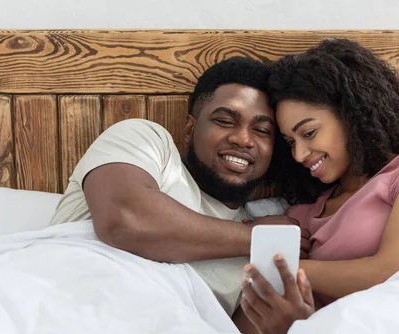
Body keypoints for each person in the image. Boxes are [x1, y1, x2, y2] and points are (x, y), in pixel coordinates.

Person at [49, 56, 308, 320]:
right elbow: (123, 219)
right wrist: (256, 237)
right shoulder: (147, 142)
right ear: (190, 128)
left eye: (262, 130)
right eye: (225, 121)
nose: (243, 139)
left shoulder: (257, 257)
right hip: (56, 312)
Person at [240, 38, 399, 334]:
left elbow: (393, 271)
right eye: (290, 142)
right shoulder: (301, 215)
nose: (299, 154)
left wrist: (287, 270)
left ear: (352, 115)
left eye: (309, 133)